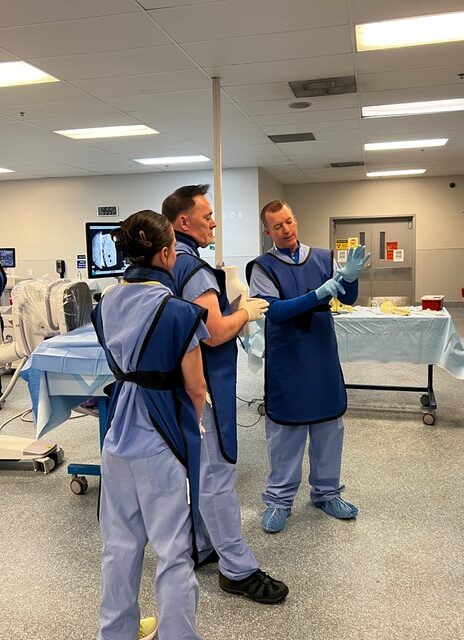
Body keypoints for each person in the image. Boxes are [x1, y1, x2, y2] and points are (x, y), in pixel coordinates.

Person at [162, 185, 289, 604]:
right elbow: (214, 334)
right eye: (207, 216)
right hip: (203, 390)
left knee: (198, 473)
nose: (214, 222)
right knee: (218, 477)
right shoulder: (193, 269)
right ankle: (237, 569)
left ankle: (202, 544)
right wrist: (245, 312)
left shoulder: (166, 264)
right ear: (183, 222)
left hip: (174, 389)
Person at [91, 210, 208, 640]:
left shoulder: (104, 306)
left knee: (119, 546)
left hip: (117, 432)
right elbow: (196, 390)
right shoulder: (179, 313)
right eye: (174, 249)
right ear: (164, 252)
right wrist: (190, 432)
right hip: (162, 436)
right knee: (174, 551)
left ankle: (116, 633)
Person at [246, 200, 370, 533]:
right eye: (277, 226)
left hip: (320, 353)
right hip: (288, 356)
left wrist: (351, 278)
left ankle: (327, 493)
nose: (286, 230)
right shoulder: (262, 267)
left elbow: (347, 298)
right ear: (267, 231)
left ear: (295, 219)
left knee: (329, 425)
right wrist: (318, 293)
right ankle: (279, 500)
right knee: (286, 431)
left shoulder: (323, 258)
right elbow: (275, 311)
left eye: (289, 222)